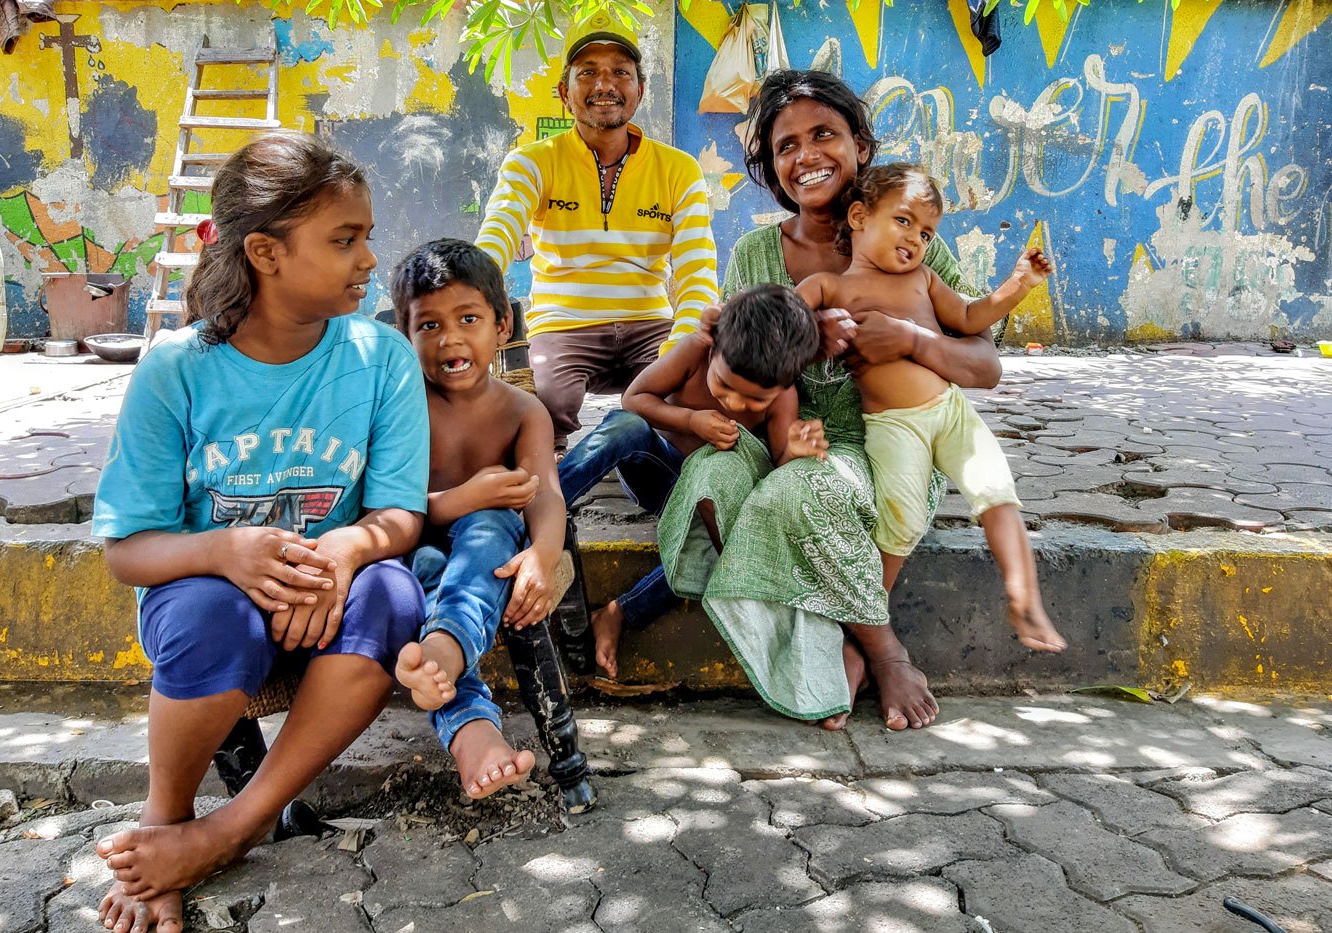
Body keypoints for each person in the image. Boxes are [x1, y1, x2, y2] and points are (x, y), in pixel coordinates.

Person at [91, 133, 429, 933]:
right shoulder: (178, 367)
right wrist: (222, 551)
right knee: (214, 610)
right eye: (345, 240)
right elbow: (126, 549)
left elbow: (398, 516)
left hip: (329, 610)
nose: (369, 260)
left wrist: (348, 549)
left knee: (394, 590)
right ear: (266, 252)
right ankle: (166, 823)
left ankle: (228, 828)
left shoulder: (381, 358)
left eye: (368, 236)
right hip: (215, 618)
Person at [660, 69, 1004, 732]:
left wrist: (907, 339)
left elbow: (984, 364)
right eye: (785, 145)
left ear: (862, 147)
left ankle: (880, 648)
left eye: (825, 134)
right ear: (772, 166)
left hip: (884, 450)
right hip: (785, 442)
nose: (806, 155)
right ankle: (828, 639)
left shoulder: (907, 240)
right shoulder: (756, 255)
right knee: (711, 475)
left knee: (800, 491)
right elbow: (731, 388)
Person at [798, 163, 1065, 653]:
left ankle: (1024, 596)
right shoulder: (828, 287)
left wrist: (1018, 285)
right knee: (900, 522)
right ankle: (864, 626)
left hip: (950, 410)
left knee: (997, 491)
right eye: (904, 221)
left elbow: (968, 317)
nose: (917, 239)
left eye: (926, 232)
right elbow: (784, 325)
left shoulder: (924, 278)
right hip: (894, 425)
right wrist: (815, 332)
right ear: (858, 216)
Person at [475, 10, 718, 453]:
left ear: (640, 91)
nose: (605, 84)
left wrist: (681, 349)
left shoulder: (678, 170)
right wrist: (472, 294)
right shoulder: (531, 161)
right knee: (547, 403)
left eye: (620, 73)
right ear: (564, 93)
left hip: (649, 321)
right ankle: (551, 488)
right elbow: (499, 232)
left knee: (685, 392)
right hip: (564, 322)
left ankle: (647, 468)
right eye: (588, 73)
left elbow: (697, 271)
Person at [558, 285, 825, 677]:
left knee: (727, 551)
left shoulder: (782, 396)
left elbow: (776, 464)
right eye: (726, 386)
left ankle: (620, 612)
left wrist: (794, 450)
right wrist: (689, 419)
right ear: (713, 347)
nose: (736, 404)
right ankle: (546, 501)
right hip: (660, 475)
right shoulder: (695, 349)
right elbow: (634, 398)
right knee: (624, 426)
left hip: (702, 511)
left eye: (754, 402)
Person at [388, 237, 566, 799]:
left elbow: (546, 495)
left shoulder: (523, 411)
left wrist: (543, 553)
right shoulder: (404, 403)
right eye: (429, 326)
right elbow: (389, 507)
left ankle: (446, 655)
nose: (451, 339)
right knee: (429, 566)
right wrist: (460, 497)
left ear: (503, 325)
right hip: (413, 541)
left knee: (490, 527)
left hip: (485, 546)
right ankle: (473, 726)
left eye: (469, 318)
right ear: (406, 335)